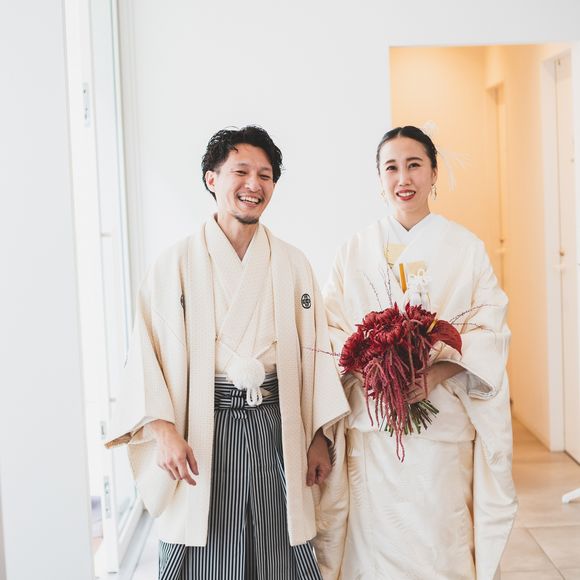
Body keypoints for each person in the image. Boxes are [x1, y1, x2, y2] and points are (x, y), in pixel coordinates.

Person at [105, 125, 349, 579]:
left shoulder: (293, 263)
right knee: (205, 547)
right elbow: (146, 354)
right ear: (211, 178)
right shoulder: (174, 264)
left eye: (265, 175)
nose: (254, 184)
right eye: (241, 171)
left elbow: (317, 352)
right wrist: (163, 432)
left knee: (279, 545)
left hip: (278, 427)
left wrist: (318, 435)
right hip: (201, 429)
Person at [319, 126, 517, 579]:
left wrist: (437, 372)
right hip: (375, 426)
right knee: (374, 544)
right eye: (391, 167)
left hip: (441, 422)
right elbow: (330, 328)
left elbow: (489, 328)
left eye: (414, 165)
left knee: (439, 538)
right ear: (379, 178)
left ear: (433, 173)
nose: (403, 178)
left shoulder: (466, 248)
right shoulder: (355, 250)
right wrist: (372, 368)